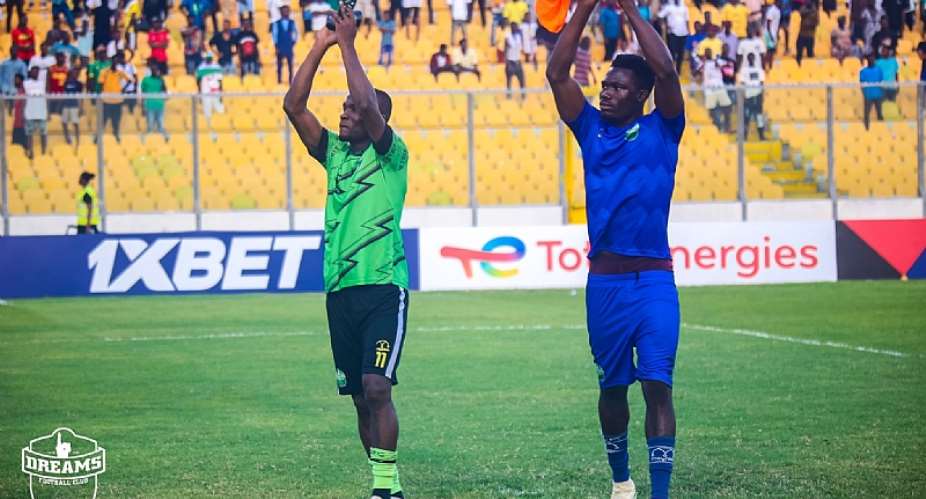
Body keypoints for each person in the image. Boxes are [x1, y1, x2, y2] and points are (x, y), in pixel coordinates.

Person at [547, 0, 684, 496]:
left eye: (618, 87)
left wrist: (627, 8)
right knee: (611, 389)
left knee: (658, 385)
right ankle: (621, 481)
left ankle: (660, 493)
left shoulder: (664, 127)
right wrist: (582, 8)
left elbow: (667, 70)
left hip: (653, 281)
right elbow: (556, 72)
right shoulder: (589, 129)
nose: (606, 92)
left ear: (642, 96)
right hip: (603, 282)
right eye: (605, 85)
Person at [283, 8, 410, 499]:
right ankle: (389, 485)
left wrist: (351, 45)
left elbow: (367, 102)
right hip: (339, 292)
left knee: (378, 388)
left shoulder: (391, 154)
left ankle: (384, 489)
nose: (344, 112)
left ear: (376, 117)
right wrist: (322, 45)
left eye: (353, 110)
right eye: (343, 108)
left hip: (383, 288)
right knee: (360, 398)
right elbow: (294, 106)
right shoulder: (334, 154)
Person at [98, 54, 131, 141]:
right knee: (103, 120)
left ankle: (116, 134)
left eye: (116, 62)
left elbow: (130, 80)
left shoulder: (120, 72)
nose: (114, 63)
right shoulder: (104, 72)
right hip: (107, 100)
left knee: (116, 120)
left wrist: (123, 89)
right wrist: (103, 93)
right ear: (111, 62)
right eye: (113, 61)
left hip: (117, 100)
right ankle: (98, 137)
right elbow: (100, 83)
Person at [701, 47, 732, 132]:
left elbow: (728, 65)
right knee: (711, 109)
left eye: (709, 52)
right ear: (704, 54)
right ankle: (717, 127)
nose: (708, 53)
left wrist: (718, 63)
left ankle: (727, 126)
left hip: (719, 87)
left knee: (727, 106)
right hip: (709, 90)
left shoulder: (717, 61)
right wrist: (702, 65)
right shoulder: (703, 63)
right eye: (706, 52)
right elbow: (695, 72)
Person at [738, 52, 766, 140]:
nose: (751, 59)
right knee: (746, 117)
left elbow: (761, 83)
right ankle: (744, 136)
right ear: (747, 59)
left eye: (752, 57)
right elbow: (742, 84)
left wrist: (762, 95)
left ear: (754, 58)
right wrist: (743, 96)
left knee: (759, 116)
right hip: (748, 96)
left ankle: (761, 136)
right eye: (749, 57)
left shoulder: (759, 69)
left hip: (757, 95)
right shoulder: (744, 70)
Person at [23, 66, 48, 158]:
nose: (35, 73)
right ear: (30, 73)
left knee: (43, 133)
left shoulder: (42, 83)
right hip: (30, 112)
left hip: (41, 112)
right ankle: (30, 151)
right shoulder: (26, 83)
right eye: (33, 71)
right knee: (29, 134)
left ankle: (44, 152)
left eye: (37, 72)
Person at [658, 0, 688, 73]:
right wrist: (663, 25)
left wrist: (688, 30)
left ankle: (679, 72)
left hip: (683, 33)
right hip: (672, 33)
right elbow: (660, 16)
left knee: (681, 54)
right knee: (672, 53)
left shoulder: (684, 7)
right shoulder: (669, 7)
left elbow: (687, 20)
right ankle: (672, 71)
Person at [141, 61, 169, 139]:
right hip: (149, 105)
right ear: (151, 71)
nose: (156, 71)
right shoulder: (145, 80)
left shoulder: (160, 80)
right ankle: (144, 140)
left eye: (157, 70)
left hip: (160, 105)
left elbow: (165, 91)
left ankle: (166, 140)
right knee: (150, 126)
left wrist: (162, 80)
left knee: (160, 125)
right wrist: (142, 107)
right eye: (154, 70)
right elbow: (143, 93)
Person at [272, 5, 299, 83]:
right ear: (281, 12)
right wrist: (276, 46)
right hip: (280, 46)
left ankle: (291, 81)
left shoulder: (292, 22)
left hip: (289, 46)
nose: (286, 12)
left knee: (290, 65)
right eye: (284, 11)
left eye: (287, 11)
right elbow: (275, 35)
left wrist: (293, 42)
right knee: (279, 65)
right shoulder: (276, 23)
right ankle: (279, 80)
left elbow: (296, 33)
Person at [197, 53, 225, 119]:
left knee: (218, 108)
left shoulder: (216, 67)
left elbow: (220, 81)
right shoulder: (201, 67)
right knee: (207, 109)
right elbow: (198, 82)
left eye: (210, 58)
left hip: (215, 91)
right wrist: (200, 92)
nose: (209, 60)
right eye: (208, 58)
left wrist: (221, 93)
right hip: (205, 91)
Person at [860, 55, 883, 129]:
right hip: (868, 95)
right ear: (867, 61)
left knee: (879, 113)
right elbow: (862, 83)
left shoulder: (879, 70)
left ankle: (881, 129)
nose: (871, 61)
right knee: (866, 114)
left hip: (878, 95)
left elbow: (881, 80)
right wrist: (864, 93)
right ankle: (866, 129)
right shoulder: (863, 71)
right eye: (870, 59)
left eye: (873, 59)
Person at [61, 67, 82, 145]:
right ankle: (67, 138)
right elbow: (63, 93)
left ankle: (77, 140)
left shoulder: (79, 84)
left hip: (74, 105)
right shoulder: (66, 82)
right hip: (66, 105)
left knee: (75, 123)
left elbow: (80, 96)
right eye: (74, 72)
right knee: (64, 122)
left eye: (76, 73)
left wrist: (80, 107)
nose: (75, 74)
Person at [504, 22, 525, 100]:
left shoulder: (519, 36)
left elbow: (521, 47)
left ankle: (523, 97)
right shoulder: (508, 37)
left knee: (522, 80)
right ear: (512, 27)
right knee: (509, 81)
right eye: (514, 26)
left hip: (518, 61)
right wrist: (507, 63)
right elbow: (505, 50)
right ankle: (508, 97)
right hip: (511, 61)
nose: (516, 28)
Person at [11, 75, 28, 151]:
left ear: (21, 81)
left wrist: (23, 117)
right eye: (15, 80)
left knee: (22, 144)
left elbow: (24, 105)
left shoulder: (23, 92)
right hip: (16, 121)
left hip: (22, 122)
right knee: (15, 145)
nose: (15, 81)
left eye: (17, 80)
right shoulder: (17, 91)